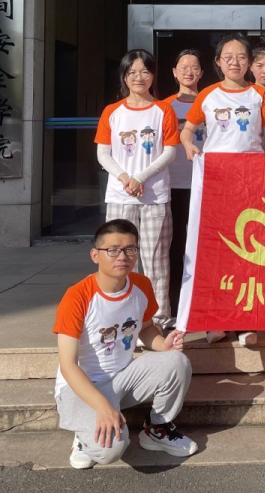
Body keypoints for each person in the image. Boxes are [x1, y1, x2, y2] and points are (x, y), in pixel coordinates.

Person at [54, 219, 197, 469]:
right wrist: (102, 407)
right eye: (113, 250)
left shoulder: (141, 285)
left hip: (123, 379)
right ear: (95, 255)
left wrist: (163, 345)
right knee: (109, 451)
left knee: (177, 361)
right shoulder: (77, 296)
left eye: (130, 249)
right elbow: (68, 365)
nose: (122, 256)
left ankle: (158, 428)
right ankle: (83, 436)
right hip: (82, 387)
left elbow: (146, 328)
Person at [180, 33, 265, 348]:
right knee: (216, 251)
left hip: (251, 181)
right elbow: (187, 130)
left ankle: (247, 320)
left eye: (241, 57)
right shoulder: (208, 95)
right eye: (228, 57)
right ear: (218, 62)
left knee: (248, 249)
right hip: (216, 183)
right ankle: (216, 320)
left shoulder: (260, 95)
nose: (235, 62)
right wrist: (189, 147)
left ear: (248, 63)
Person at [94, 49, 179, 331]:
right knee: (118, 258)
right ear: (124, 76)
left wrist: (140, 177)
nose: (138, 77)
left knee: (156, 261)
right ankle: (118, 317)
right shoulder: (112, 112)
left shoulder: (163, 110)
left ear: (153, 75)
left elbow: (170, 151)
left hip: (155, 198)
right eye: (132, 72)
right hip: (120, 197)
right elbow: (103, 153)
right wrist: (124, 178)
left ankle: (158, 321)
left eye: (144, 71)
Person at [162, 49, 205, 330]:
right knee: (175, 247)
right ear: (174, 72)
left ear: (202, 73)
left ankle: (203, 303)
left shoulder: (210, 101)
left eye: (195, 67)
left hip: (205, 186)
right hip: (173, 186)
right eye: (183, 67)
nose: (189, 72)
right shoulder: (164, 107)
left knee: (204, 248)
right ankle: (176, 308)